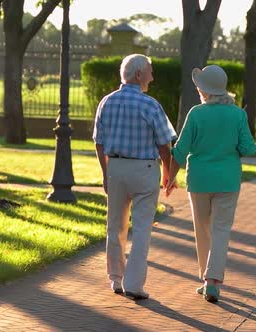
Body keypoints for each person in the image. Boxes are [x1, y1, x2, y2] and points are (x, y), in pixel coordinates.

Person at [165, 65, 256, 303]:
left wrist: (170, 177)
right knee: (221, 230)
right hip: (227, 180)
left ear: (204, 91)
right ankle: (212, 280)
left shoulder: (196, 113)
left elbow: (180, 150)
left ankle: (207, 280)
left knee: (202, 230)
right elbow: (249, 148)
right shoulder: (237, 114)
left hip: (199, 180)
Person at [92, 54, 177, 300]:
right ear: (139, 75)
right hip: (144, 170)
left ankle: (116, 280)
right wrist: (168, 174)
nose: (153, 76)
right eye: (150, 70)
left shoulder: (106, 102)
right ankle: (134, 284)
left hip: (116, 168)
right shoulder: (150, 104)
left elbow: (99, 143)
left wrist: (106, 173)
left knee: (115, 227)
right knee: (141, 229)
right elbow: (164, 145)